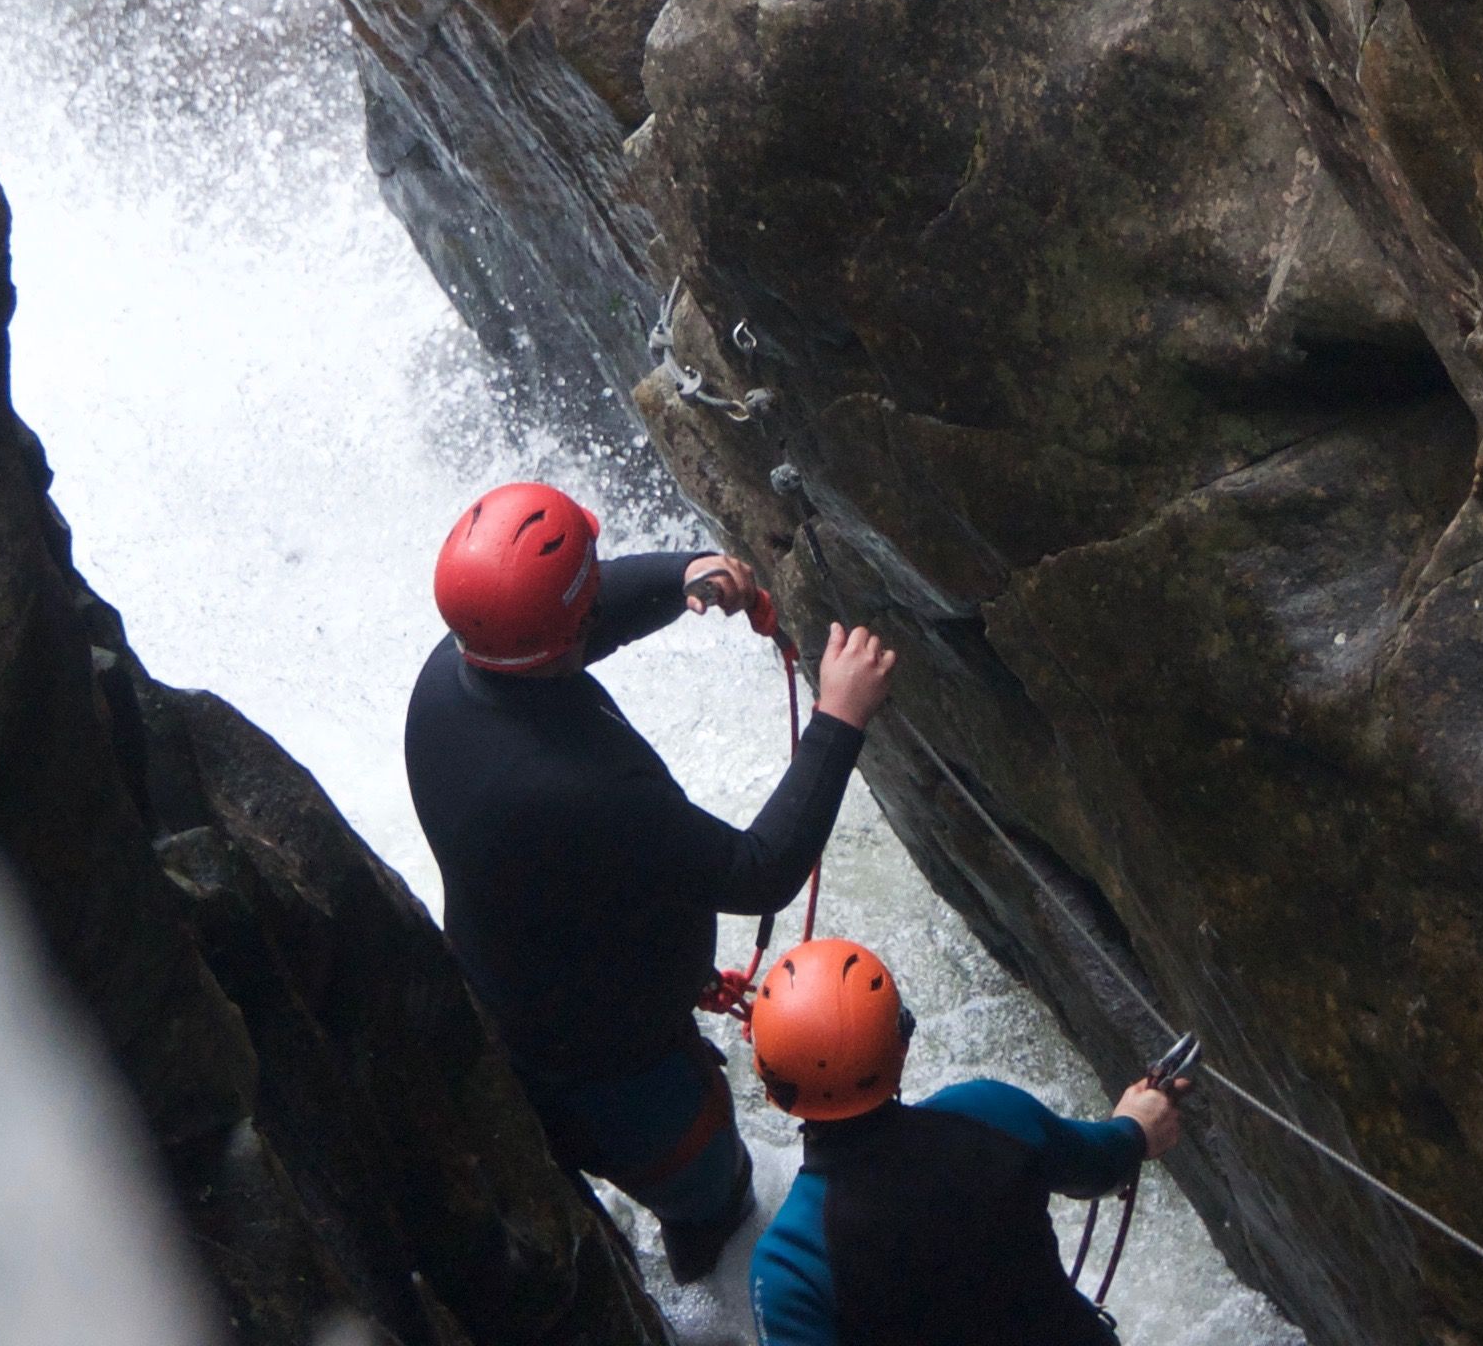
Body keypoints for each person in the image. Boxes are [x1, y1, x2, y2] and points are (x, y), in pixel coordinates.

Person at [405, 480, 899, 1281]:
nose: (604, 581)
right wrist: (840, 718)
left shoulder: (450, 679)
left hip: (509, 1006)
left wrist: (683, 575)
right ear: (568, 628)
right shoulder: (576, 792)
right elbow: (758, 870)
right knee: (714, 1205)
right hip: (621, 1070)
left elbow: (571, 621)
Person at [747, 939, 1191, 1346]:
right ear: (900, 1047)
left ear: (771, 1085)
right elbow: (1102, 1164)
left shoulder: (790, 1264)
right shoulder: (991, 1113)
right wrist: (1136, 1124)